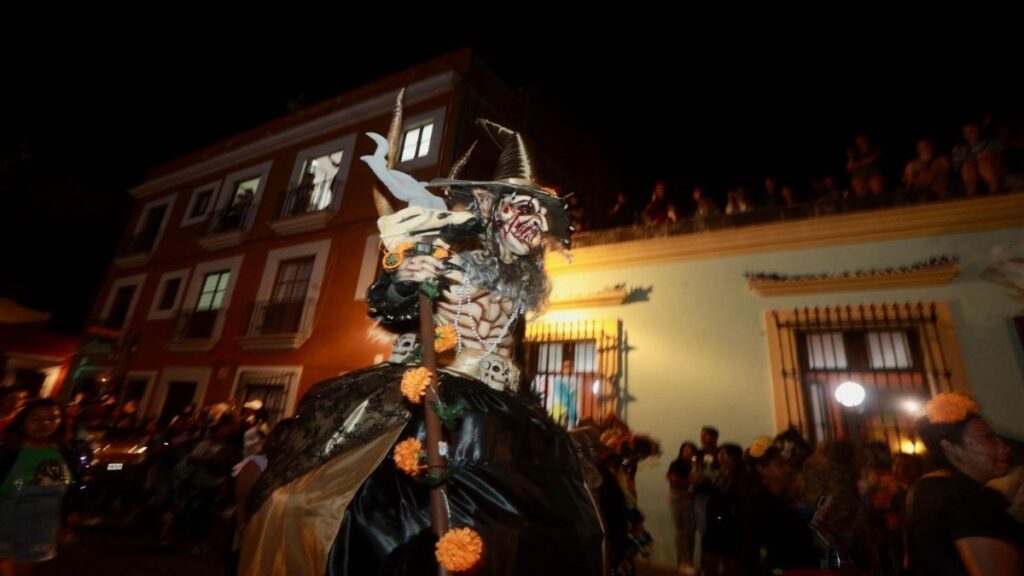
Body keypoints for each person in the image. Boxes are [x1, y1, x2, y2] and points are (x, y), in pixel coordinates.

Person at [240, 119, 601, 575]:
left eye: (539, 212)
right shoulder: (447, 254)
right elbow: (387, 303)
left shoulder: (526, 284)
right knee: (304, 503)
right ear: (488, 206)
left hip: (503, 415)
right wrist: (406, 281)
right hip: (429, 390)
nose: (533, 221)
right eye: (521, 207)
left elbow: (513, 351)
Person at [907, 392, 1023, 575]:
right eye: (987, 437)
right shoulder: (966, 497)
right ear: (949, 448)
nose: (1004, 447)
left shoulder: (925, 488)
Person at [0, 399, 81, 575]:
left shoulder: (66, 451)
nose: (44, 424)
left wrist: (70, 514)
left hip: (43, 525)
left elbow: (75, 484)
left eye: (52, 418)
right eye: (36, 418)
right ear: (23, 421)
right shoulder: (7, 451)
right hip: (5, 517)